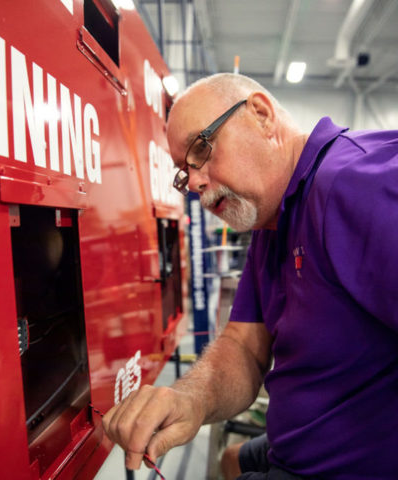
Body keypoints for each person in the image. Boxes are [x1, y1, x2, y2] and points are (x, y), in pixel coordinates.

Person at [102, 73, 398, 479]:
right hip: (295, 446)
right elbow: (244, 346)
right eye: (183, 172)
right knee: (230, 461)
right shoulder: (269, 226)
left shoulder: (358, 184)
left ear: (260, 114)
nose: (195, 183)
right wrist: (189, 400)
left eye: (201, 150)